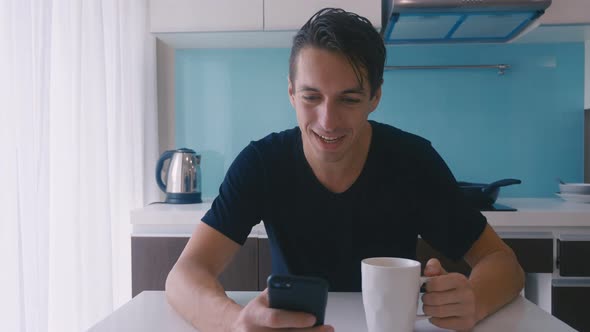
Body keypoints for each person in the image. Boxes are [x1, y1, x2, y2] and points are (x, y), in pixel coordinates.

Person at [165, 8, 524, 332]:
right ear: (291, 93)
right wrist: (234, 323)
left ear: (375, 97)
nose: (327, 121)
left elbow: (502, 263)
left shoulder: (413, 161)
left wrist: (473, 300)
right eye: (311, 97)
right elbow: (185, 275)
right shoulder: (262, 163)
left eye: (349, 99)